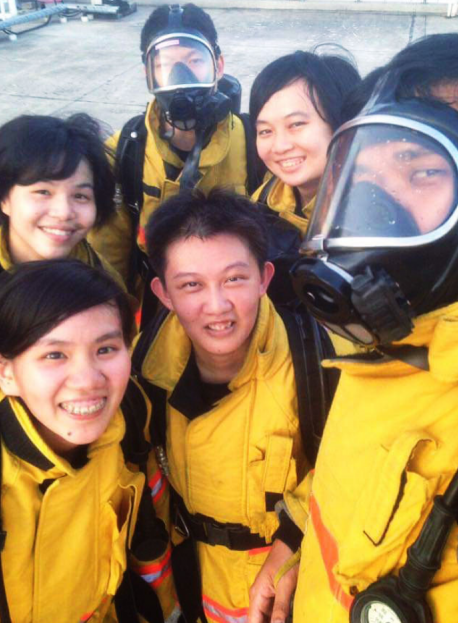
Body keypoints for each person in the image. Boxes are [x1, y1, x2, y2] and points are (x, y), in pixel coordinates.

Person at [248, 31, 458, 623]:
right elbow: (353, 466)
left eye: (421, 170)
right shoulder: (394, 345)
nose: (374, 204)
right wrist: (297, 535)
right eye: (363, 172)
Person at [132, 188, 311, 623]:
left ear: (265, 277)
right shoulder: (140, 371)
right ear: (164, 294)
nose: (217, 306)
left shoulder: (317, 364)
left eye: (234, 279)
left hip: (285, 593)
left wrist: (292, 541)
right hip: (188, 581)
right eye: (191, 285)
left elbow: (358, 465)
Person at [0, 259, 168, 622]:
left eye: (106, 349)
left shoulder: (132, 419)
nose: (87, 379)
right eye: (54, 354)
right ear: (5, 372)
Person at [87, 3, 257, 323]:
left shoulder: (254, 141)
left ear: (218, 66)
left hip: (232, 305)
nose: (181, 77)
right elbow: (107, 254)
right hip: (157, 306)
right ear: (148, 74)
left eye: (195, 61)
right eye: (167, 65)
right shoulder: (125, 150)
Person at [0, 114, 121, 386]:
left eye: (80, 196)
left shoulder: (106, 282)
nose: (63, 212)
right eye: (43, 192)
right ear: (4, 199)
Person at [250, 48, 361, 233]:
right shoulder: (265, 200)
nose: (280, 146)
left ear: (343, 123)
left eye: (296, 124)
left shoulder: (373, 216)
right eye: (265, 131)